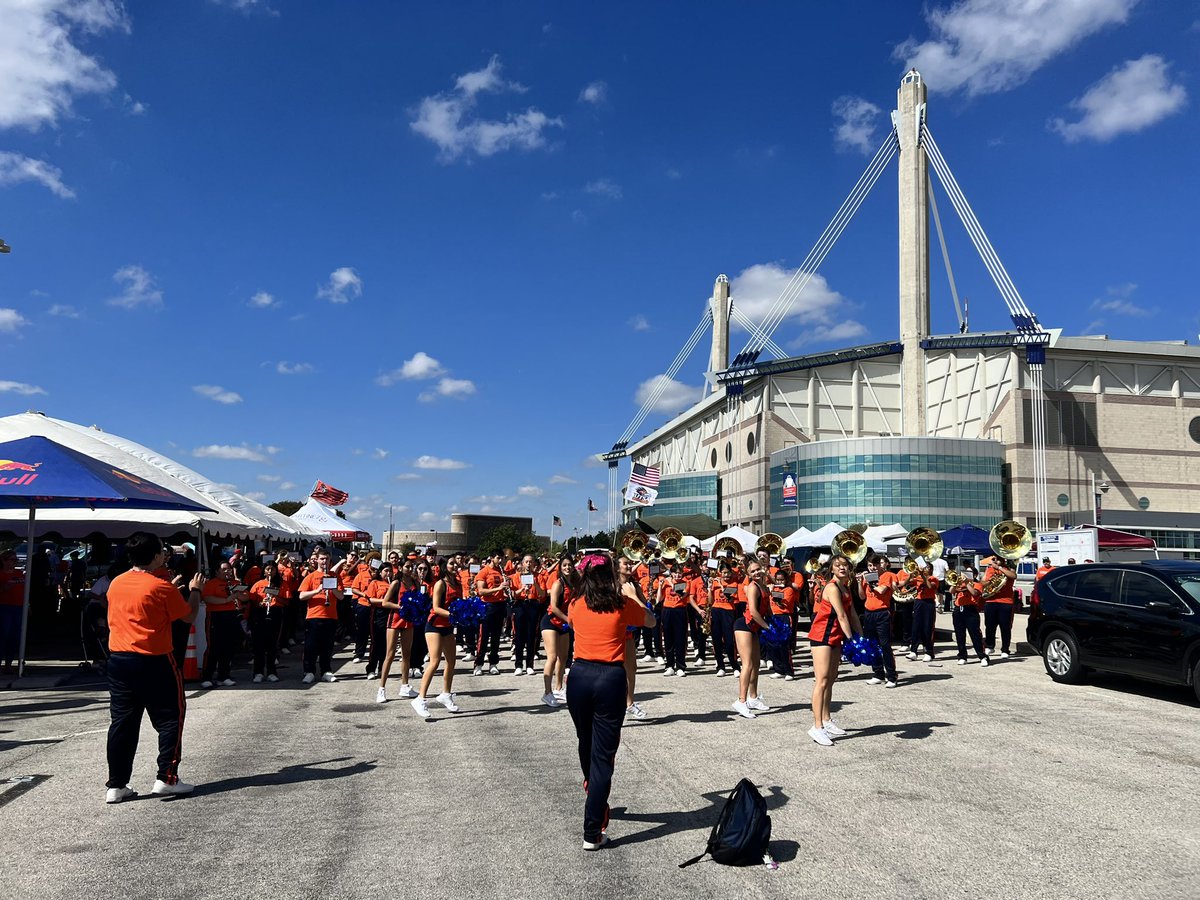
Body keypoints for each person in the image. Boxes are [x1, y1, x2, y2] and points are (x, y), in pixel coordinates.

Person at [104, 532, 205, 802]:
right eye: (162, 550)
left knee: (123, 723)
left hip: (119, 659)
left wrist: (170, 588)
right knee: (172, 717)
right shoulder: (160, 587)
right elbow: (188, 616)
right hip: (154, 659)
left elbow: (139, 605)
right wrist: (194, 590)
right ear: (157, 555)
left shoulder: (117, 582)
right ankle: (167, 777)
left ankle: (116, 784)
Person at [566, 554, 656, 850]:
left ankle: (592, 788)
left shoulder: (576, 604)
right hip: (609, 677)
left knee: (585, 740)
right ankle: (592, 832)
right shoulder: (621, 604)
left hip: (579, 676)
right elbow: (651, 621)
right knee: (603, 757)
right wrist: (634, 595)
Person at [808, 554, 862, 747]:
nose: (842, 568)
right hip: (822, 636)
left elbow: (852, 613)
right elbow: (840, 615)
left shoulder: (845, 587)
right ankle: (816, 727)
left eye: (845, 565)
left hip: (835, 637)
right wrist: (851, 640)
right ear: (831, 568)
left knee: (831, 679)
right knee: (821, 681)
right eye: (838, 565)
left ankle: (827, 719)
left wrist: (861, 637)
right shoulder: (831, 587)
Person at [411, 557, 462, 717]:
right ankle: (420, 699)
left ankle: (446, 694)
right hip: (434, 625)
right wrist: (454, 615)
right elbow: (436, 608)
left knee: (452, 661)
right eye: (452, 563)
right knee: (434, 661)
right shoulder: (441, 584)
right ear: (445, 567)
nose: (455, 565)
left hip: (448, 626)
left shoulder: (458, 584)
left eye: (456, 563)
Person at [731, 560, 771, 719]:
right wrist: (768, 627)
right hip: (744, 625)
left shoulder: (764, 587)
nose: (756, 573)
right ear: (748, 575)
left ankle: (753, 698)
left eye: (758, 570)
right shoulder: (753, 587)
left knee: (755, 664)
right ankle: (741, 701)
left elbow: (766, 609)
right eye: (753, 572)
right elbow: (753, 612)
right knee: (747, 664)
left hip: (754, 627)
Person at [298, 551, 342, 683]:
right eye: (322, 559)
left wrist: (332, 587)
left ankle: (326, 671)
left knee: (327, 646)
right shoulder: (311, 577)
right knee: (310, 646)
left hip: (330, 616)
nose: (324, 561)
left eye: (326, 559)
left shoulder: (335, 576)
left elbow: (341, 596)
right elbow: (301, 596)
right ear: (317, 560)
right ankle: (309, 671)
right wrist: (317, 590)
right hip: (314, 616)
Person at [376, 564, 419, 701]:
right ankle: (381, 689)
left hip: (409, 620)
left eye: (412, 566)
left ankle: (405, 686)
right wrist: (401, 607)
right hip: (395, 620)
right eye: (407, 566)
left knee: (407, 654)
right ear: (401, 568)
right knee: (390, 654)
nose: (410, 568)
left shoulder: (415, 582)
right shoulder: (396, 582)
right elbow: (385, 603)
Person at [200, 560, 244, 688]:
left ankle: (223, 675)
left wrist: (238, 595)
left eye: (229, 569)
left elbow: (246, 597)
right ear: (217, 571)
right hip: (216, 616)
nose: (227, 572)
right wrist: (226, 599)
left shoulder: (235, 583)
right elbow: (207, 598)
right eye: (224, 569)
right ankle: (207, 676)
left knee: (228, 646)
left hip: (232, 615)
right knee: (214, 647)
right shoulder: (212, 583)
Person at [541, 555, 578, 708]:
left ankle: (558, 688)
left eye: (570, 565)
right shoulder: (558, 583)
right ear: (560, 567)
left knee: (563, 657)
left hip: (564, 623)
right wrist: (569, 619)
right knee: (552, 656)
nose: (567, 568)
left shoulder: (575, 583)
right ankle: (547, 692)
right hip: (551, 621)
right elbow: (554, 607)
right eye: (564, 565)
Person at [860, 554, 899, 688]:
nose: (872, 568)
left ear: (879, 565)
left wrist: (871, 581)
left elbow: (882, 591)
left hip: (882, 613)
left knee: (885, 645)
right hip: (868, 613)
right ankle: (878, 673)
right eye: (870, 566)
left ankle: (892, 676)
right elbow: (861, 595)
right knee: (872, 644)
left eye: (874, 565)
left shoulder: (887, 575)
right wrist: (861, 582)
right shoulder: (867, 577)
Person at [246, 560, 284, 683]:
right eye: (267, 569)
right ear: (264, 570)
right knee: (259, 645)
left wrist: (275, 596)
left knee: (272, 645)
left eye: (272, 569)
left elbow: (287, 601)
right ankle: (258, 672)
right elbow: (251, 600)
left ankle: (272, 672)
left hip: (275, 612)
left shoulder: (281, 583)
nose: (270, 571)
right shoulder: (258, 584)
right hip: (260, 614)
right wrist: (260, 603)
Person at [473, 554, 508, 675]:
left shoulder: (501, 571)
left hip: (499, 605)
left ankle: (493, 663)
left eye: (502, 558)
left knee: (496, 637)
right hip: (487, 606)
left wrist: (506, 590)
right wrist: (498, 588)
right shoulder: (484, 572)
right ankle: (478, 664)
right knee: (483, 636)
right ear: (492, 558)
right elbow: (481, 591)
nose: (500, 560)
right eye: (498, 558)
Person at [510, 554, 545, 676]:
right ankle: (518, 665)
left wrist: (535, 584)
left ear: (534, 563)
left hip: (533, 604)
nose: (529, 564)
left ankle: (529, 665)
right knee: (519, 635)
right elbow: (512, 594)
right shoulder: (516, 576)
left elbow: (542, 594)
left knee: (531, 635)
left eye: (531, 562)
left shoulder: (538, 576)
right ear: (522, 563)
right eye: (526, 562)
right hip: (520, 604)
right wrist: (521, 589)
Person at [980, 555, 1017, 658]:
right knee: (990, 626)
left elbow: (1013, 576)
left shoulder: (1008, 569)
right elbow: (982, 582)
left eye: (999, 559)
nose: (996, 561)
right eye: (995, 559)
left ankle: (1005, 649)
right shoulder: (989, 569)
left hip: (1006, 602)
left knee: (1005, 627)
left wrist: (999, 568)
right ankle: (990, 646)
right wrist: (989, 582)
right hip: (991, 600)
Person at [950, 565, 988, 666]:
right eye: (964, 573)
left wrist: (967, 583)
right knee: (959, 634)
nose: (965, 575)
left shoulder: (977, 584)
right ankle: (962, 656)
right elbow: (951, 591)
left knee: (975, 634)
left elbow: (975, 593)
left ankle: (982, 656)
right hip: (958, 609)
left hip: (971, 610)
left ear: (974, 575)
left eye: (969, 573)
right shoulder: (959, 584)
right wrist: (955, 583)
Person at [903, 559, 939, 662]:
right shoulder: (917, 578)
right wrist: (910, 575)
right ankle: (914, 651)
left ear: (931, 570)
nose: (925, 569)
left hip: (929, 603)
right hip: (918, 602)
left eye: (927, 567)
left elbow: (929, 586)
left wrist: (923, 576)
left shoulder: (934, 579)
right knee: (916, 627)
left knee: (927, 627)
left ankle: (929, 652)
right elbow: (905, 584)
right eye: (924, 567)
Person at [0, 550, 25, 675]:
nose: (14, 562)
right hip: (5, 607)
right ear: (4, 561)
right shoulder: (1, 575)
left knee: (15, 636)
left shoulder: (19, 573)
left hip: (19, 607)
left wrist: (28, 604)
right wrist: (5, 587)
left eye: (16, 560)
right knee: (4, 634)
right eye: (12, 560)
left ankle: (8, 664)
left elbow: (25, 590)